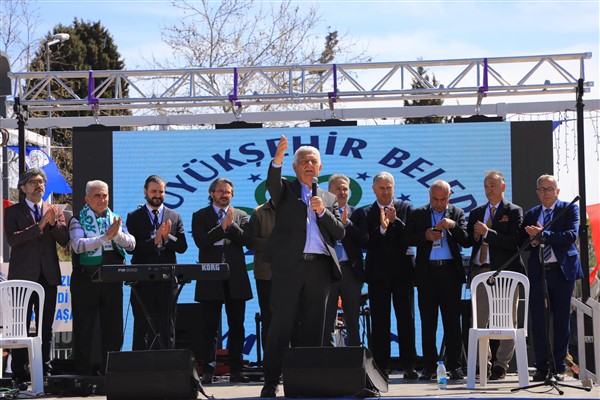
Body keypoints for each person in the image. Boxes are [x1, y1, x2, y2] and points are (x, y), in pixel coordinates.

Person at [260, 135, 345, 398]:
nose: (309, 164)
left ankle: (307, 380)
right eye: (304, 161)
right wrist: (277, 160)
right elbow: (273, 183)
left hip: (319, 269)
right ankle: (272, 380)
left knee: (314, 327)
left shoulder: (329, 198)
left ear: (320, 169)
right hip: (289, 269)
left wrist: (322, 212)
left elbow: (339, 232)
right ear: (296, 168)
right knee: (281, 325)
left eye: (314, 161)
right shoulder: (286, 191)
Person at [4, 168, 69, 381]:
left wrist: (52, 224)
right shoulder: (13, 211)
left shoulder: (54, 210)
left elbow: (63, 239)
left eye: (41, 181)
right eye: (33, 182)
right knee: (21, 326)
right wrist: (40, 225)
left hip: (47, 277)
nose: (38, 185)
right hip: (23, 278)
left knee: (45, 327)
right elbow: (13, 240)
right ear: (23, 187)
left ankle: (44, 370)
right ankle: (20, 373)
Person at [403, 180, 470, 381]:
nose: (439, 203)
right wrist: (425, 236)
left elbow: (467, 240)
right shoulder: (419, 213)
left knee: (452, 322)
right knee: (428, 322)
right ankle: (430, 366)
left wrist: (453, 226)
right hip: (427, 274)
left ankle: (455, 366)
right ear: (429, 196)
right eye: (435, 199)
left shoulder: (457, 213)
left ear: (449, 196)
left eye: (443, 199)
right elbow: (406, 238)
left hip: (450, 273)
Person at [69, 180, 136, 375]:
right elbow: (78, 245)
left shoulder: (114, 219)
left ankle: (111, 370)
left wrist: (116, 236)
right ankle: (84, 373)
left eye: (105, 195)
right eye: (97, 196)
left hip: (112, 279)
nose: (102, 199)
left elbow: (132, 244)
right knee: (85, 326)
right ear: (87, 199)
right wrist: (105, 237)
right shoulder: (77, 219)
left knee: (113, 327)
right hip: (86, 279)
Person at [522, 174, 583, 382]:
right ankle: (540, 367)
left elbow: (570, 235)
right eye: (542, 189)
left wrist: (543, 235)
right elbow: (522, 242)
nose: (546, 193)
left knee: (561, 321)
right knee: (538, 321)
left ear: (557, 191)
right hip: (540, 272)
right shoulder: (531, 214)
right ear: (537, 192)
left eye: (550, 189)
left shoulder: (569, 208)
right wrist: (531, 240)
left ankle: (558, 367)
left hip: (563, 271)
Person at [192, 178, 252, 384]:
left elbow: (247, 241)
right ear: (211, 193)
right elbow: (202, 242)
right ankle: (208, 369)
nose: (224, 195)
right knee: (209, 326)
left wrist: (231, 225)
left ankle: (236, 369)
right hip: (210, 277)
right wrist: (220, 228)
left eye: (228, 192)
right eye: (220, 191)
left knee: (237, 326)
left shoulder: (242, 215)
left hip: (236, 278)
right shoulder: (200, 215)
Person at [467, 170, 525, 380]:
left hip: (505, 273)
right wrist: (474, 236)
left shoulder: (514, 210)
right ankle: (483, 363)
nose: (489, 189)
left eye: (493, 185)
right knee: (479, 321)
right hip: (481, 272)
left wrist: (487, 233)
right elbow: (469, 242)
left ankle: (502, 365)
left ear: (503, 187)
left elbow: (514, 242)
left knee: (507, 319)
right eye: (486, 186)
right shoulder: (476, 212)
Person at [361, 171, 418, 379]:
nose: (386, 192)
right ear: (374, 189)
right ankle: (380, 366)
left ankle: (409, 365)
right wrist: (383, 230)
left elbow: (411, 237)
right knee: (380, 321)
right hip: (378, 274)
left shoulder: (405, 208)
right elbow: (366, 241)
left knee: (406, 319)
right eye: (382, 188)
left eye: (389, 188)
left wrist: (396, 222)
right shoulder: (365, 212)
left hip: (403, 273)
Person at [126, 175, 188, 350]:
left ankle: (168, 364)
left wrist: (167, 236)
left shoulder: (174, 216)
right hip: (142, 280)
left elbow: (182, 246)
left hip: (167, 279)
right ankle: (139, 367)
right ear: (145, 191)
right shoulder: (134, 217)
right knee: (142, 324)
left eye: (161, 192)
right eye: (154, 191)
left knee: (167, 324)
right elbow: (132, 248)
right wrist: (155, 240)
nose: (157, 195)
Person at [323, 174, 368, 347]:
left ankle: (354, 357)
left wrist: (347, 223)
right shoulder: (322, 212)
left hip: (351, 271)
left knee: (352, 319)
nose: (342, 192)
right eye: (338, 189)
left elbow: (365, 239)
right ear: (329, 191)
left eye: (345, 189)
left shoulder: (357, 212)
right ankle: (327, 358)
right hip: (329, 271)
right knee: (327, 319)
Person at [248, 198, 276, 354]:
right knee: (268, 319)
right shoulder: (259, 212)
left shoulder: (296, 209)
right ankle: (270, 363)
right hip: (266, 274)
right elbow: (250, 242)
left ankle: (291, 364)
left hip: (292, 275)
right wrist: (274, 244)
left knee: (293, 320)